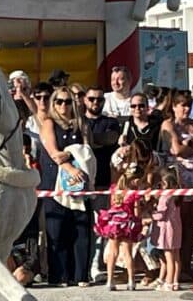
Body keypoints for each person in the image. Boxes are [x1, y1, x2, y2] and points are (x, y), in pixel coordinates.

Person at [38, 86, 92, 287]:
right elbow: (54, 152)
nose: (63, 105)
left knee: (80, 229)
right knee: (57, 230)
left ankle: (80, 275)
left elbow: (87, 150)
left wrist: (69, 154)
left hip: (79, 184)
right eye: (59, 101)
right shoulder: (48, 123)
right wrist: (70, 166)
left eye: (68, 101)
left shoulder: (81, 124)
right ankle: (59, 275)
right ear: (53, 104)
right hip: (55, 183)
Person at [159, 91, 193, 281]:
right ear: (174, 106)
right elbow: (176, 149)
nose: (186, 109)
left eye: (188, 105)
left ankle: (187, 267)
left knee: (190, 224)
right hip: (178, 178)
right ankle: (174, 268)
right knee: (176, 224)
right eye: (182, 105)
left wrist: (192, 145)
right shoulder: (168, 124)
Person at [82, 85, 120, 282]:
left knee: (100, 227)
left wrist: (87, 138)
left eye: (99, 99)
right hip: (80, 182)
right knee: (81, 226)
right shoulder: (78, 121)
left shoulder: (111, 122)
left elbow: (108, 139)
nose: (95, 102)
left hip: (103, 182)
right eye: (91, 99)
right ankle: (82, 267)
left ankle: (96, 266)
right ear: (84, 100)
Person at [94, 172, 142, 291]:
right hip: (126, 224)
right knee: (127, 253)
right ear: (132, 181)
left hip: (114, 223)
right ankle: (131, 281)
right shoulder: (134, 193)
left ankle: (110, 281)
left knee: (112, 252)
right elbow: (137, 213)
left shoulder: (114, 190)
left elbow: (112, 205)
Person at [150, 167, 182, 292]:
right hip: (176, 228)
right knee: (176, 257)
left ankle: (168, 282)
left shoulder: (164, 197)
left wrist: (150, 213)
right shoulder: (177, 196)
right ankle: (175, 281)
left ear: (164, 183)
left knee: (169, 257)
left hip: (166, 230)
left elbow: (161, 215)